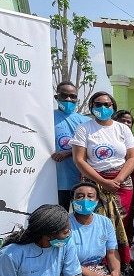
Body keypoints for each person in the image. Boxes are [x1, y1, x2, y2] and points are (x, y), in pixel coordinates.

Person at [70, 91, 134, 260]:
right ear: (92, 107)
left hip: (121, 184)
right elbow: (79, 160)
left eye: (107, 104)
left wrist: (118, 179)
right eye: (98, 104)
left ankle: (123, 265)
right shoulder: (84, 128)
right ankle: (97, 263)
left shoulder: (122, 128)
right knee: (96, 224)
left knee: (122, 224)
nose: (103, 107)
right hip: (93, 183)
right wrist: (102, 181)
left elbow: (132, 157)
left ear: (113, 107)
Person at [51, 81, 91, 211]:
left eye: (72, 96)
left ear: (77, 99)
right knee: (59, 216)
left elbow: (90, 147)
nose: (68, 99)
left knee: (81, 215)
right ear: (57, 97)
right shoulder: (47, 117)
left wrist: (68, 152)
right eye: (64, 95)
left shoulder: (86, 122)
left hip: (80, 180)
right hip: (55, 181)